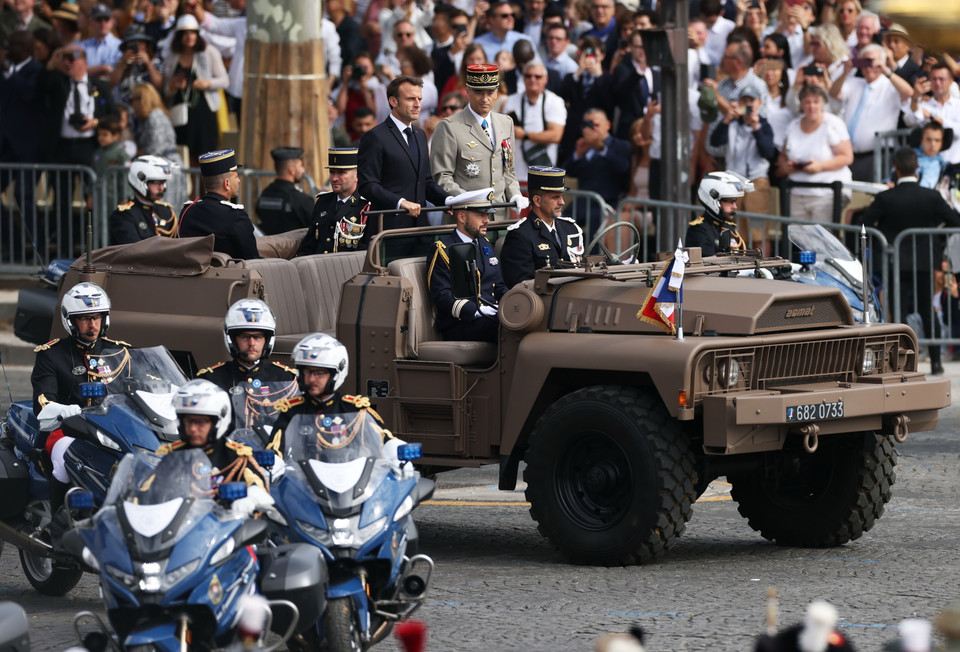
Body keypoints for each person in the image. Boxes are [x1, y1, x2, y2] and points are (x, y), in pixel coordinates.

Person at [862, 147, 960, 376]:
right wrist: (935, 234)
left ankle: (904, 363)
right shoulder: (932, 196)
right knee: (928, 310)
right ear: (917, 168)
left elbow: (865, 223)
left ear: (895, 169)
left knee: (899, 311)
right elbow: (955, 221)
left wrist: (881, 235)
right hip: (925, 261)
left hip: (894, 261)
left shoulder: (886, 197)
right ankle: (936, 362)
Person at [358, 75, 452, 236]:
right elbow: (367, 185)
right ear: (393, 102)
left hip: (421, 229)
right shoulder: (375, 137)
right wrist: (400, 203)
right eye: (410, 99)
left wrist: (449, 200)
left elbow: (426, 182)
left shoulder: (420, 135)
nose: (417, 104)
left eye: (419, 99)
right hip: (388, 229)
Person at [431, 64, 526, 221]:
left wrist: (515, 194)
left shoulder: (506, 123)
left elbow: (508, 170)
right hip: (466, 218)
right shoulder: (450, 126)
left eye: (490, 92)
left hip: (500, 217)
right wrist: (469, 201)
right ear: (467, 91)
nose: (485, 98)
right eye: (478, 92)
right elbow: (442, 177)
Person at [158, 379, 273, 505]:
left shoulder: (237, 458)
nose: (193, 429)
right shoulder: (172, 456)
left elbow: (259, 489)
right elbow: (150, 491)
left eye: (200, 422)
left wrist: (252, 497)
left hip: (224, 521)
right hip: (180, 522)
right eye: (188, 421)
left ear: (218, 422)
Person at [267, 333, 383, 456]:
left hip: (345, 473)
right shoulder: (292, 411)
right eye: (307, 372)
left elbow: (385, 440)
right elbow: (276, 449)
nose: (312, 379)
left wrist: (396, 451)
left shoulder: (355, 410)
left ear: (335, 375)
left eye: (320, 373)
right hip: (303, 474)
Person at [196, 299, 298, 433]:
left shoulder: (285, 378)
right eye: (245, 337)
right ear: (232, 339)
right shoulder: (211, 380)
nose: (251, 343)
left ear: (267, 340)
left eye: (258, 337)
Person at [31, 282, 131, 416]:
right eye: (85, 319)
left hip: (115, 425)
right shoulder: (51, 355)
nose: (93, 325)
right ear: (71, 321)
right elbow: (43, 403)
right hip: (68, 428)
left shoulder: (119, 352)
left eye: (97, 317)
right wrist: (66, 411)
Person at [829, 43, 913, 181]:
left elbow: (908, 92)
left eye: (872, 61)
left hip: (877, 154)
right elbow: (833, 93)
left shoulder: (890, 85)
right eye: (865, 62)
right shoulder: (854, 83)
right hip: (849, 154)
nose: (869, 67)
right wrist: (845, 73)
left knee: (870, 196)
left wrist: (886, 70)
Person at [706, 80, 776, 241]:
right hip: (734, 184)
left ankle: (763, 263)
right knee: (735, 232)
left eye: (751, 101)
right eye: (744, 101)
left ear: (759, 103)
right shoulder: (732, 123)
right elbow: (715, 142)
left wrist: (756, 127)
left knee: (758, 233)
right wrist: (726, 120)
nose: (748, 105)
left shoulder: (764, 125)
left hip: (756, 182)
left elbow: (768, 152)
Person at [427, 200, 505, 342]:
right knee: (505, 326)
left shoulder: (485, 244)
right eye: (481, 215)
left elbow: (498, 286)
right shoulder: (444, 249)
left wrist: (513, 303)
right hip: (460, 322)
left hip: (489, 316)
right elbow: (442, 295)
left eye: (487, 215)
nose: (487, 220)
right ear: (462, 217)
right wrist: (475, 310)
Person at [775, 85, 853, 222]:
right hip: (797, 191)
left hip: (826, 192)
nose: (812, 107)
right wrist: (785, 166)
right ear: (801, 105)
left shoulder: (833, 123)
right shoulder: (793, 125)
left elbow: (847, 157)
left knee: (822, 238)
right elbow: (783, 155)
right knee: (798, 239)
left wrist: (821, 166)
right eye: (807, 102)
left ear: (823, 103)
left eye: (816, 102)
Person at [499, 166, 583, 287]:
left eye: (561, 196)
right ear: (537, 201)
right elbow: (521, 286)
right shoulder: (521, 235)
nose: (562, 202)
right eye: (555, 197)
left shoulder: (570, 228)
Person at [162, 14, 229, 164]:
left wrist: (207, 83)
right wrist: (174, 86)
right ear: (179, 36)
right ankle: (189, 187)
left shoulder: (209, 51)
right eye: (185, 33)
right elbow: (166, 90)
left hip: (204, 110)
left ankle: (206, 187)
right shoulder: (172, 56)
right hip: (181, 111)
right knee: (186, 154)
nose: (189, 36)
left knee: (207, 154)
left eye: (192, 32)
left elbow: (225, 80)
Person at [178, 148, 261, 259]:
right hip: (230, 275)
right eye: (236, 176)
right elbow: (252, 259)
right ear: (227, 183)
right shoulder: (236, 216)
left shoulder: (188, 211)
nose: (239, 180)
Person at [564, 107, 630, 237]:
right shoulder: (583, 147)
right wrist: (578, 154)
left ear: (608, 125)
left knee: (596, 233)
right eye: (587, 125)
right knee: (560, 223)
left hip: (606, 203)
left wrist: (600, 147)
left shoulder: (620, 146)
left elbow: (623, 168)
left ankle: (594, 258)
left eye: (596, 125)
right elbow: (567, 171)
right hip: (582, 202)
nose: (591, 129)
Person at [297, 148, 369, 255]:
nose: (334, 178)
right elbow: (309, 244)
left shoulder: (366, 206)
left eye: (341, 173)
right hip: (317, 265)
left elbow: (366, 249)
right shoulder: (323, 202)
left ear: (357, 175)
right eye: (332, 172)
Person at [130, 83, 187, 209]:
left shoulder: (155, 116)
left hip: (166, 168)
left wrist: (139, 152)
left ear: (142, 100)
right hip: (162, 167)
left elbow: (156, 147)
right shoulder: (147, 118)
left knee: (167, 211)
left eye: (132, 100)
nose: (131, 105)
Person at [108, 154, 179, 245]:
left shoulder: (166, 211)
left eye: (163, 182)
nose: (161, 188)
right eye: (156, 183)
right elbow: (131, 251)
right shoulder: (124, 216)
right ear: (140, 182)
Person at [904, 61, 960, 165]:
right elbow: (911, 120)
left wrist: (933, 117)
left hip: (956, 165)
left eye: (941, 79)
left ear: (951, 81)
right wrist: (915, 98)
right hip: (930, 167)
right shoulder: (923, 105)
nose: (937, 83)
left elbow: (957, 131)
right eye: (934, 79)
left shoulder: (958, 105)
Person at [685, 170, 751, 257]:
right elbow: (709, 263)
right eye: (729, 202)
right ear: (713, 200)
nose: (735, 207)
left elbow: (746, 253)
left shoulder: (728, 227)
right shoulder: (698, 230)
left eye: (735, 201)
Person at [611, 30, 660, 141]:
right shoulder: (622, 70)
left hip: (652, 130)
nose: (643, 50)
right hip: (629, 130)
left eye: (646, 46)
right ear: (631, 47)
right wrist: (638, 72)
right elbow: (620, 94)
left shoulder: (657, 74)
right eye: (639, 47)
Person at [255, 147, 314, 235]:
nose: (303, 170)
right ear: (292, 170)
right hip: (294, 248)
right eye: (301, 166)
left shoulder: (264, 195)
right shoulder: (301, 200)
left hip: (268, 247)